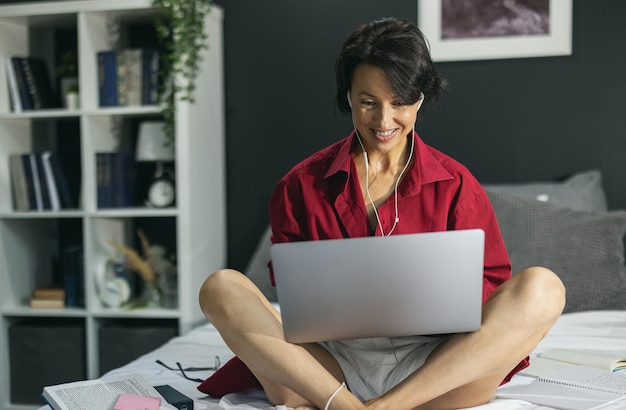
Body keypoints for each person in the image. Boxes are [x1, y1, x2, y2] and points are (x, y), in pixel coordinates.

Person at [199, 17, 566, 410]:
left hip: (436, 371)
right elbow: (293, 294)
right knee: (220, 287)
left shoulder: (458, 185)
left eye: (400, 103)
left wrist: (430, 299)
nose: (384, 121)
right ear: (348, 97)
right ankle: (346, 406)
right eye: (368, 103)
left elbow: (492, 287)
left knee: (544, 288)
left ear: (420, 99)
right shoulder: (299, 185)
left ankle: (389, 406)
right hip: (326, 372)